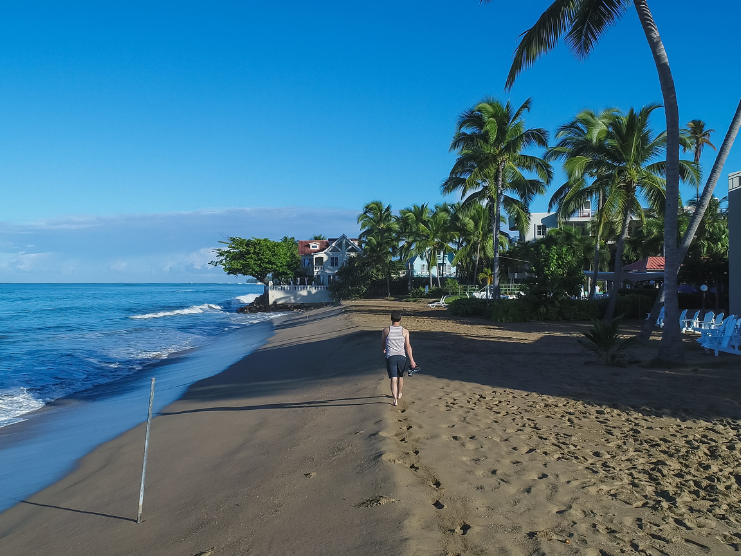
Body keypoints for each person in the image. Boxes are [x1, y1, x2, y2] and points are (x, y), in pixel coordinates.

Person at [382, 310, 416, 406]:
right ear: (400, 319)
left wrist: (384, 349)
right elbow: (408, 346)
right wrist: (412, 360)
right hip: (402, 356)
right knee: (400, 376)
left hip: (391, 357)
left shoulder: (386, 330)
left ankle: (394, 400)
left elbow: (383, 343)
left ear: (391, 319)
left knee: (393, 378)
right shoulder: (405, 331)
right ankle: (399, 393)